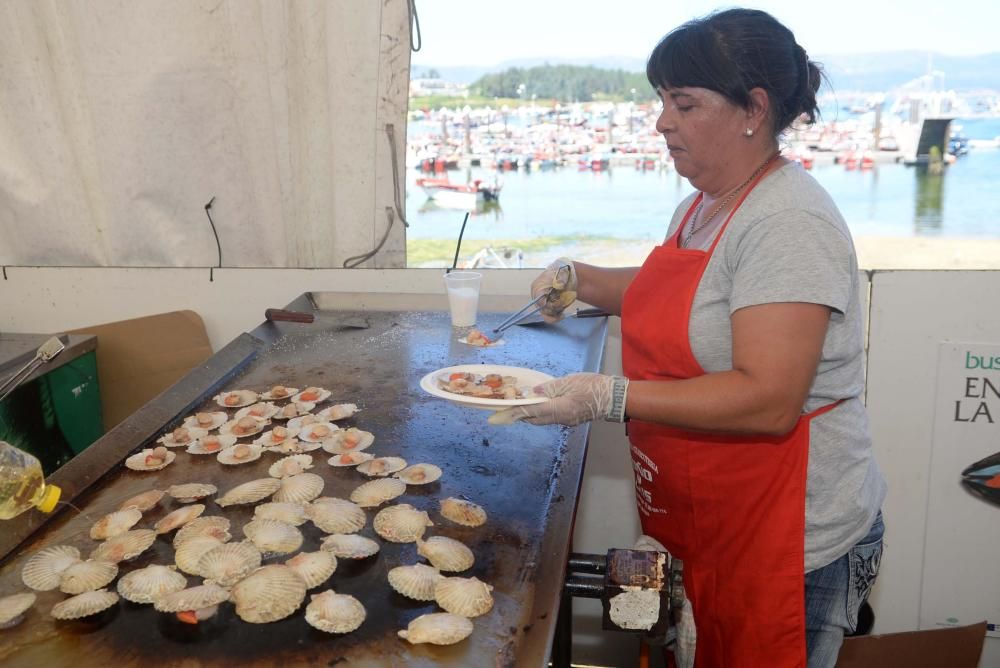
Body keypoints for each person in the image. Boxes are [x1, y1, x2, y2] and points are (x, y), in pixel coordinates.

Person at [490, 9, 887, 668]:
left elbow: (769, 400)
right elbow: (683, 298)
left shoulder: (788, 221)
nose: (661, 122)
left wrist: (606, 397)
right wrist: (580, 278)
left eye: (684, 102)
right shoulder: (703, 204)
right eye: (661, 101)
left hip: (791, 537)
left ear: (752, 109)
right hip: (713, 517)